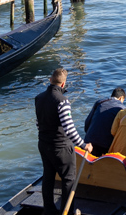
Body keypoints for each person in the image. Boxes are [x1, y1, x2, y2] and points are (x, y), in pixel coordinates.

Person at [34, 68, 92, 215]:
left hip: (44, 144)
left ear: (50, 80)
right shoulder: (63, 101)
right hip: (61, 148)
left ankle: (49, 210)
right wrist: (84, 145)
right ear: (63, 84)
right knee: (68, 180)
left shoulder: (39, 98)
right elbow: (70, 130)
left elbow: (38, 123)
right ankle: (67, 212)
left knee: (48, 177)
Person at [82, 87, 125, 155]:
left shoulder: (100, 102)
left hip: (89, 141)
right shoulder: (122, 108)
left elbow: (87, 122)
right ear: (121, 98)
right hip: (104, 145)